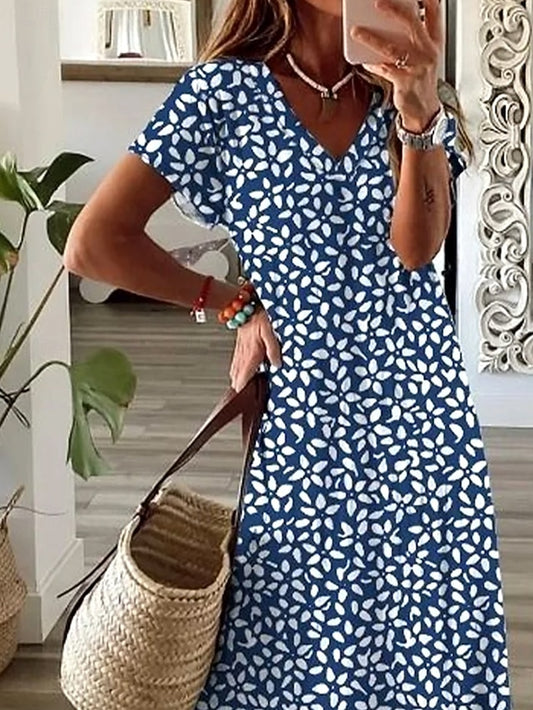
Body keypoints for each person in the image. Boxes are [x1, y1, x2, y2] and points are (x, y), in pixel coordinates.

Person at [63, 0, 514, 708]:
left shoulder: (408, 89)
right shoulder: (223, 92)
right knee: (296, 630)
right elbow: (94, 243)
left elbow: (417, 250)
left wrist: (418, 107)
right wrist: (228, 301)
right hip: (303, 413)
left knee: (431, 626)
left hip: (422, 410)